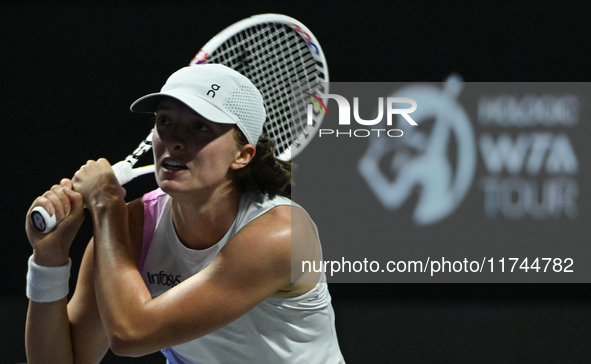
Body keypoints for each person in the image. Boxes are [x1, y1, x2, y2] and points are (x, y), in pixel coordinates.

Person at [24, 64, 345, 363]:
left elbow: (130, 335)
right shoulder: (133, 229)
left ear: (243, 155)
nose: (174, 141)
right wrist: (49, 259)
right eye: (165, 121)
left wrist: (106, 205)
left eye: (199, 127)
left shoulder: (281, 235)